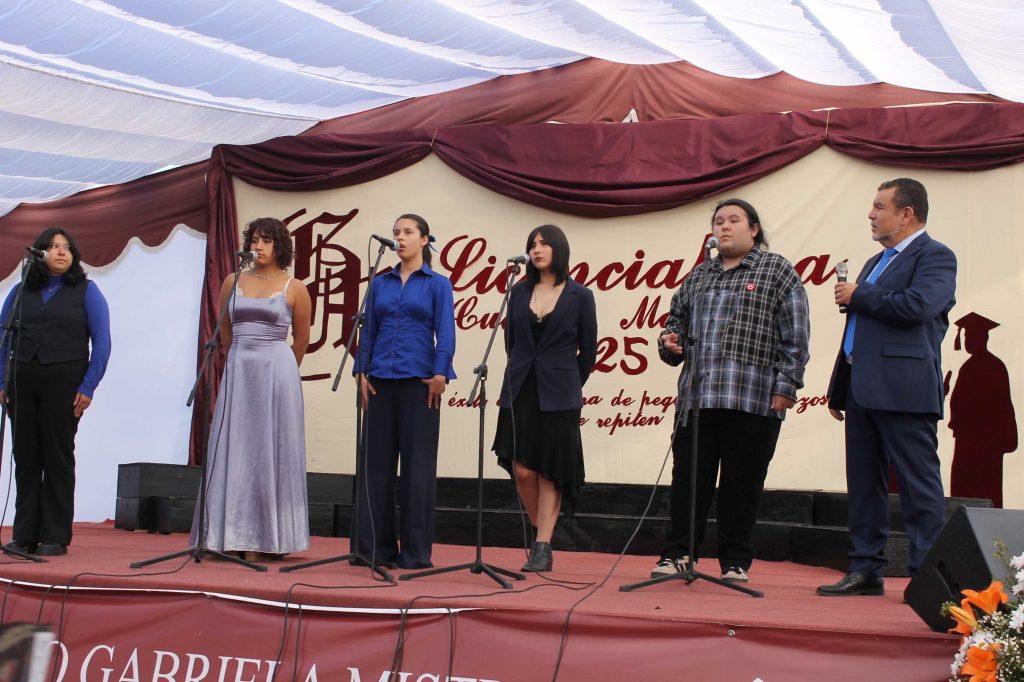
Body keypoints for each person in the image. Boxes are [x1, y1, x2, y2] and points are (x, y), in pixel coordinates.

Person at [651, 199, 810, 583]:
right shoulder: (699, 275)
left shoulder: (777, 270)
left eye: (733, 220)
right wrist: (669, 342)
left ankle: (735, 562)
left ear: (754, 230)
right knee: (689, 482)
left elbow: (796, 335)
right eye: (718, 221)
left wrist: (786, 386)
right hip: (698, 399)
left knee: (742, 484)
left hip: (754, 398)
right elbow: (675, 323)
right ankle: (678, 555)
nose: (723, 227)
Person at [818, 178, 956, 597]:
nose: (871, 214)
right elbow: (859, 328)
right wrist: (840, 386)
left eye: (880, 207)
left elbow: (919, 306)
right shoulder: (874, 263)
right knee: (864, 484)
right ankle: (865, 569)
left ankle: (928, 577)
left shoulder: (935, 256)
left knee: (917, 485)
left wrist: (861, 295)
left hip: (904, 388)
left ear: (906, 213)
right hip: (861, 387)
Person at [189, 217, 312, 561]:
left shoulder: (294, 287)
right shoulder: (233, 280)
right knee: (238, 447)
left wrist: (280, 371)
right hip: (240, 368)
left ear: (280, 246)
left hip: (277, 371)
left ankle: (268, 538)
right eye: (255, 240)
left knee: (270, 448)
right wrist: (240, 360)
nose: (258, 246)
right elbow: (226, 332)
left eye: (266, 241)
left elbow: (302, 340)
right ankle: (230, 534)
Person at [493, 225, 598, 572]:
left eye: (543, 244)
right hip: (520, 388)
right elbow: (511, 343)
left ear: (559, 249)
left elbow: (588, 353)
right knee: (523, 470)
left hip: (559, 394)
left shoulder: (580, 296)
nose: (536, 249)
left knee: (551, 471)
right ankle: (542, 528)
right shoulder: (518, 291)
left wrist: (568, 383)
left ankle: (542, 546)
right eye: (532, 244)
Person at [0, 228, 111, 556]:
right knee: (26, 457)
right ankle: (24, 534)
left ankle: (54, 535)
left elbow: (102, 343)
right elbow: (3, 338)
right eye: (53, 246)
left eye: (67, 247)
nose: (61, 252)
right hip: (22, 382)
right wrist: (2, 381)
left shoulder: (87, 291)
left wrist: (89, 386)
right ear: (39, 253)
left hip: (65, 385)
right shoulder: (20, 291)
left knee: (56, 457)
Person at [354, 214, 456, 569]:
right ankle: (374, 550)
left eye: (408, 232)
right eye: (396, 232)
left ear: (424, 240)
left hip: (419, 384)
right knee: (375, 468)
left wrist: (440, 373)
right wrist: (360, 370)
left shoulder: (438, 284)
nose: (400, 237)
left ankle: (414, 553)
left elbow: (446, 332)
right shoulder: (380, 283)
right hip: (380, 381)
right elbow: (368, 330)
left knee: (418, 469)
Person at [947, 312, 1016, 508]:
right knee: (967, 496)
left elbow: (1001, 407)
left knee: (983, 496)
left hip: (984, 445)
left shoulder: (994, 367)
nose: (967, 341)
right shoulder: (969, 368)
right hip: (968, 443)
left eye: (970, 336)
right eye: (966, 336)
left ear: (984, 338)